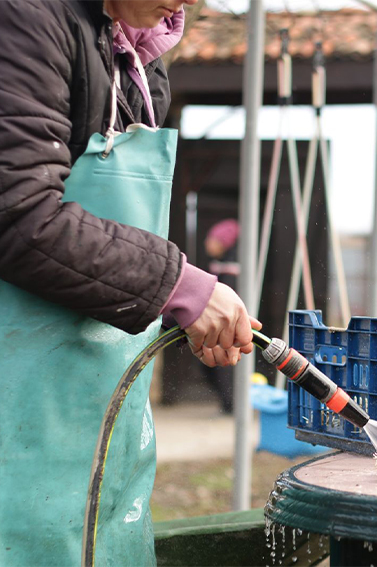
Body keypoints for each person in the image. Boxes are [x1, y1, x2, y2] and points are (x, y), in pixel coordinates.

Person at [0, 2, 260, 565]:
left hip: (94, 374)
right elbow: (18, 214)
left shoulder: (140, 57)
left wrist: (173, 297)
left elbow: (107, 221)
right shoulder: (26, 19)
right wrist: (176, 285)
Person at [202, 218, 243, 413]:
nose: (207, 244)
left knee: (226, 361)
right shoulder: (217, 265)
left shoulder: (232, 269)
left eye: (213, 240)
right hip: (218, 323)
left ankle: (231, 404)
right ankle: (228, 403)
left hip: (228, 323)